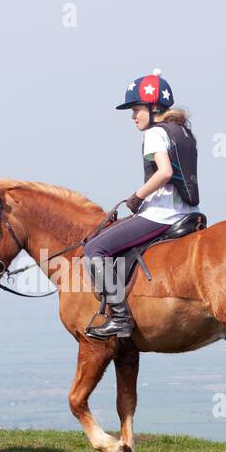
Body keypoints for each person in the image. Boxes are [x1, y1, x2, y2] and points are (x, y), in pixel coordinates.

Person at [83, 69, 200, 340]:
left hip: (162, 214)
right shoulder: (183, 132)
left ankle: (120, 318)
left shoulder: (156, 133)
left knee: (95, 247)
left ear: (153, 107)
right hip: (189, 213)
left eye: (136, 109)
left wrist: (136, 196)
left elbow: (165, 172)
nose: (133, 116)